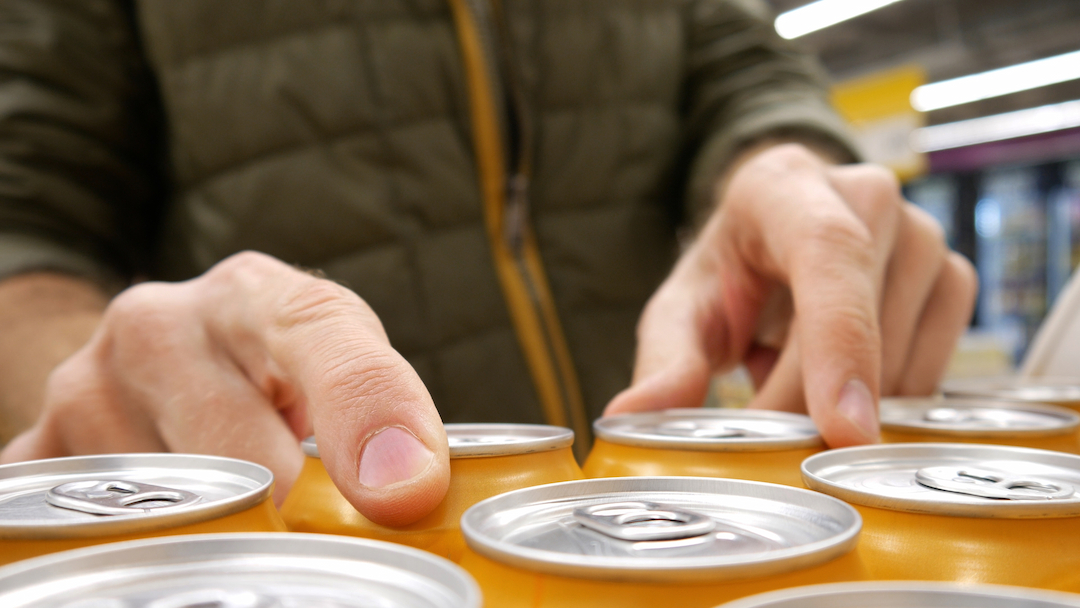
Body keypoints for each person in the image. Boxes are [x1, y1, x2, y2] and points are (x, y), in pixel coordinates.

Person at [0, 0, 975, 527]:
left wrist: (782, 165)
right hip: (311, 526)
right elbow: (26, 216)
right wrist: (108, 383)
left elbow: (735, 62)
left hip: (646, 510)